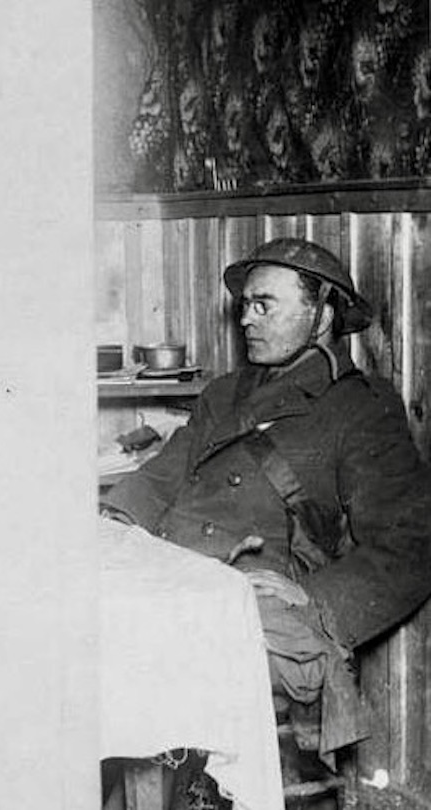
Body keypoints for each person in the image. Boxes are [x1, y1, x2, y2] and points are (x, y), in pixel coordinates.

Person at [101, 237, 431, 772]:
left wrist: (314, 598)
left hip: (248, 600)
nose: (247, 319)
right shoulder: (226, 393)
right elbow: (164, 475)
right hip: (178, 573)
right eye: (244, 306)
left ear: (321, 313)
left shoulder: (361, 409)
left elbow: (414, 543)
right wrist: (112, 522)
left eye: (265, 305)